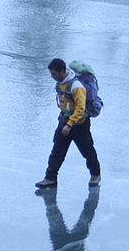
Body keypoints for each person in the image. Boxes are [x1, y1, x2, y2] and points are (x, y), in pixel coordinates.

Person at [34, 58, 100, 189]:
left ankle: (95, 174)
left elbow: (80, 109)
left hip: (79, 125)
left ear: (62, 71)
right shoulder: (60, 83)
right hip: (64, 122)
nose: (52, 77)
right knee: (57, 151)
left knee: (87, 151)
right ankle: (50, 178)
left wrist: (70, 125)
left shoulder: (77, 86)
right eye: (51, 74)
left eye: (54, 74)